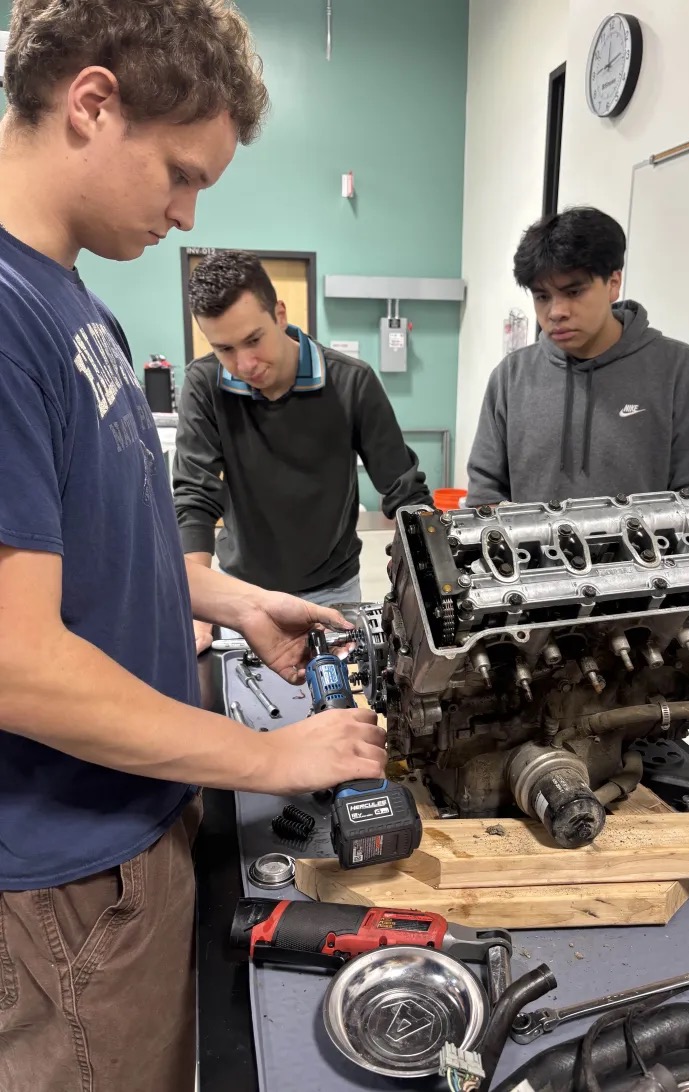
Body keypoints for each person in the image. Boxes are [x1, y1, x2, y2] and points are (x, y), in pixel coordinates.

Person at [0, 4, 385, 1091]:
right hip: (62, 881)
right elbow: (15, 662)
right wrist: (271, 759)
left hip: (134, 828)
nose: (185, 213)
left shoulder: (82, 314)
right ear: (90, 103)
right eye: (179, 172)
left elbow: (108, 559)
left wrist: (233, 602)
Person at [173, 249, 432, 652]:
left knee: (341, 708)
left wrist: (427, 574)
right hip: (242, 593)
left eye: (253, 340)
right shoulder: (204, 384)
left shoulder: (351, 383)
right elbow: (194, 497)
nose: (244, 364)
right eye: (224, 349)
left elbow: (403, 492)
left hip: (332, 591)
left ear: (279, 314)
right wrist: (198, 607)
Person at [466, 206, 689, 512]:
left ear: (613, 283)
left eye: (574, 291)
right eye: (542, 296)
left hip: (645, 559)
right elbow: (485, 494)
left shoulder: (678, 370)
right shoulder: (511, 377)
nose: (556, 312)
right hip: (533, 560)